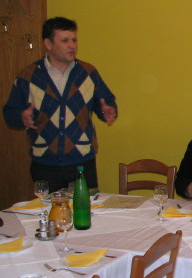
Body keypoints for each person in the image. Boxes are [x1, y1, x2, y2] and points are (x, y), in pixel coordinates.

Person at [2, 17, 117, 192]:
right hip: (45, 164)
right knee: (48, 209)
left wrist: (107, 111)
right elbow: (10, 113)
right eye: (65, 40)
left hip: (82, 163)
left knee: (86, 208)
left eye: (74, 40)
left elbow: (105, 102)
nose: (72, 46)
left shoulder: (88, 73)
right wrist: (21, 117)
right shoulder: (28, 76)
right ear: (48, 44)